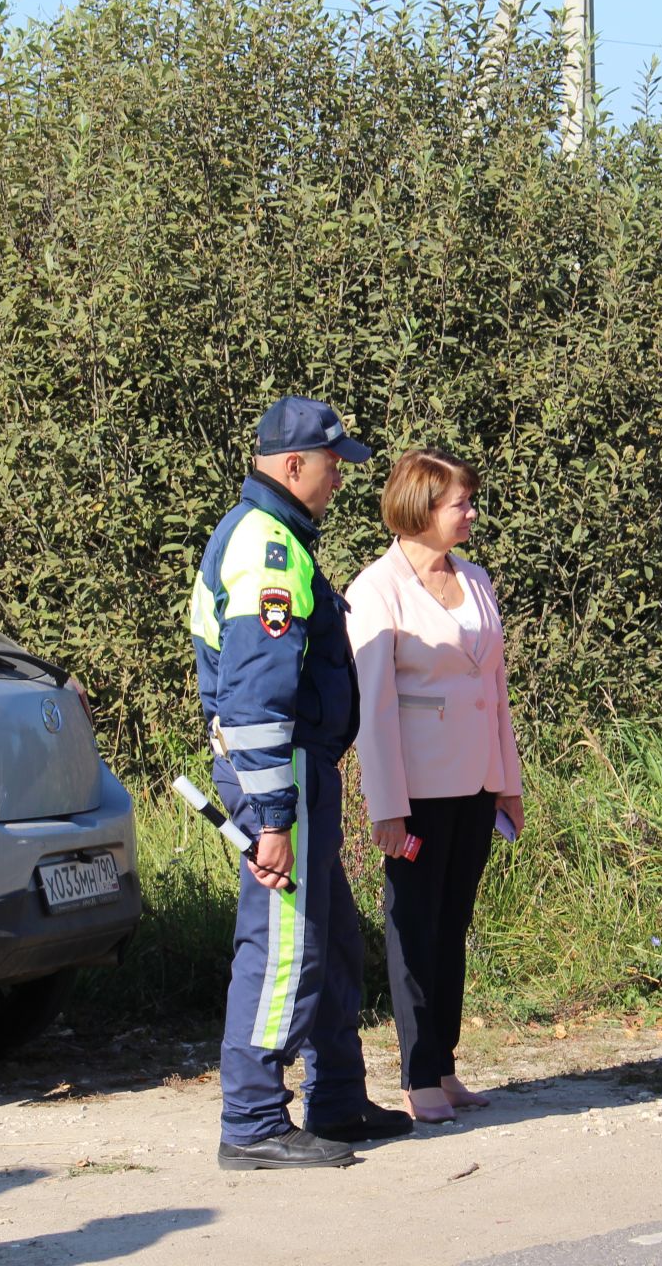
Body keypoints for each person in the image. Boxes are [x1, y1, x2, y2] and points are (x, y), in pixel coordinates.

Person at [190, 395, 414, 1170]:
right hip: (277, 768)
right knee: (284, 943)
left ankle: (337, 1099)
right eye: (331, 465)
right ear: (293, 465)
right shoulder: (268, 549)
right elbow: (254, 696)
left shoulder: (274, 536)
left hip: (291, 769)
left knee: (332, 940)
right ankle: (252, 1120)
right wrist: (274, 815)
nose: (339, 480)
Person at [346, 449, 525, 1126]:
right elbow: (374, 709)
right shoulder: (376, 589)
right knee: (413, 926)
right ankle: (417, 1071)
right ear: (421, 507)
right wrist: (386, 806)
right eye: (461, 502)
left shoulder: (475, 578)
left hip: (476, 782)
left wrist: (507, 783)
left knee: (454, 924)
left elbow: (495, 692)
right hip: (416, 790)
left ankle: (446, 1064)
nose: (472, 512)